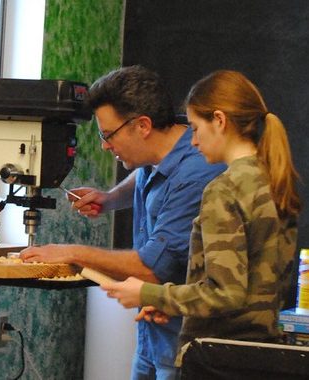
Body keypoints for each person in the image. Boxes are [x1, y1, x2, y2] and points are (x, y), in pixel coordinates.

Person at [20, 65, 225, 380]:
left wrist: (70, 252)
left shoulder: (196, 173)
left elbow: (152, 269)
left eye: (108, 135)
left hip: (181, 348)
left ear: (142, 125)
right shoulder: (163, 146)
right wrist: (110, 198)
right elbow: (146, 174)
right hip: (149, 340)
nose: (104, 145)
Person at [102, 70, 301, 370]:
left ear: (219, 121)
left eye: (195, 128)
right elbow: (248, 293)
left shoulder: (225, 189)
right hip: (259, 356)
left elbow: (225, 294)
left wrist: (147, 292)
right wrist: (170, 303)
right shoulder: (272, 179)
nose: (192, 142)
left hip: (220, 360)